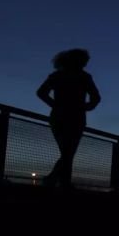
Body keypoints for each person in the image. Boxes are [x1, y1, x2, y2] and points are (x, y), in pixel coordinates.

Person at [36, 49, 101, 189]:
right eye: (84, 60)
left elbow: (41, 92)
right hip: (75, 118)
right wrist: (86, 107)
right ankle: (59, 181)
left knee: (67, 152)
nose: (86, 63)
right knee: (68, 152)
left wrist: (55, 105)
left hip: (59, 117)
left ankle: (58, 180)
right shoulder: (84, 77)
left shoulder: (57, 76)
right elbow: (96, 97)